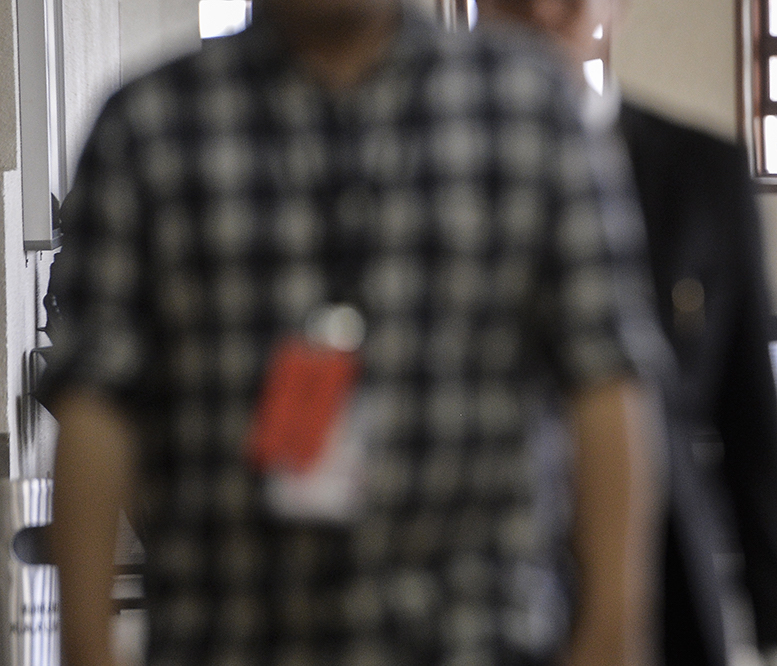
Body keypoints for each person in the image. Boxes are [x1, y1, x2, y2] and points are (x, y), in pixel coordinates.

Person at [40, 1, 667, 664]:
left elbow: (605, 379)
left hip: (477, 635)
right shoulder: (149, 125)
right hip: (231, 636)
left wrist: (609, 637)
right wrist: (87, 647)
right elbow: (95, 407)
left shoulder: (528, 110)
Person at [475, 1, 777, 664]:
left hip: (663, 581)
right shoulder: (421, 165)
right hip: (471, 594)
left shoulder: (700, 172)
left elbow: (749, 420)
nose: (541, 11)